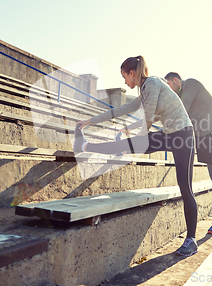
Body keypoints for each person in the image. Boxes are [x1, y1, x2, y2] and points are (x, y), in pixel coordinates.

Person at [75, 56, 198, 256]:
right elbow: (122, 110)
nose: (125, 82)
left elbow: (148, 118)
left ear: (132, 73)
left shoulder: (152, 84)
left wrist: (136, 143)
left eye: (124, 77)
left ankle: (191, 240)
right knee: (128, 144)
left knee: (185, 187)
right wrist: (90, 121)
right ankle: (85, 145)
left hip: (183, 136)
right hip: (169, 134)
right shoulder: (146, 91)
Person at [165, 72, 212, 235]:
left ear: (176, 80)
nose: (169, 90)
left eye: (169, 85)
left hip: (211, 133)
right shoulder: (180, 94)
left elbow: (182, 108)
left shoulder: (191, 85)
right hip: (198, 136)